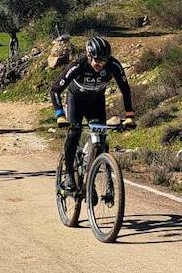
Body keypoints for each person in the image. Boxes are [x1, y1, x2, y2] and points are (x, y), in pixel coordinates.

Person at [51, 36, 135, 192]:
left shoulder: (113, 65)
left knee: (101, 141)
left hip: (96, 103)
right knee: (74, 133)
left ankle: (91, 179)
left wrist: (129, 116)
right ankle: (69, 175)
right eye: (97, 61)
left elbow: (125, 89)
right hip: (76, 101)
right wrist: (60, 114)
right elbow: (55, 90)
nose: (101, 65)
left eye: (104, 61)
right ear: (89, 56)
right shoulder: (78, 65)